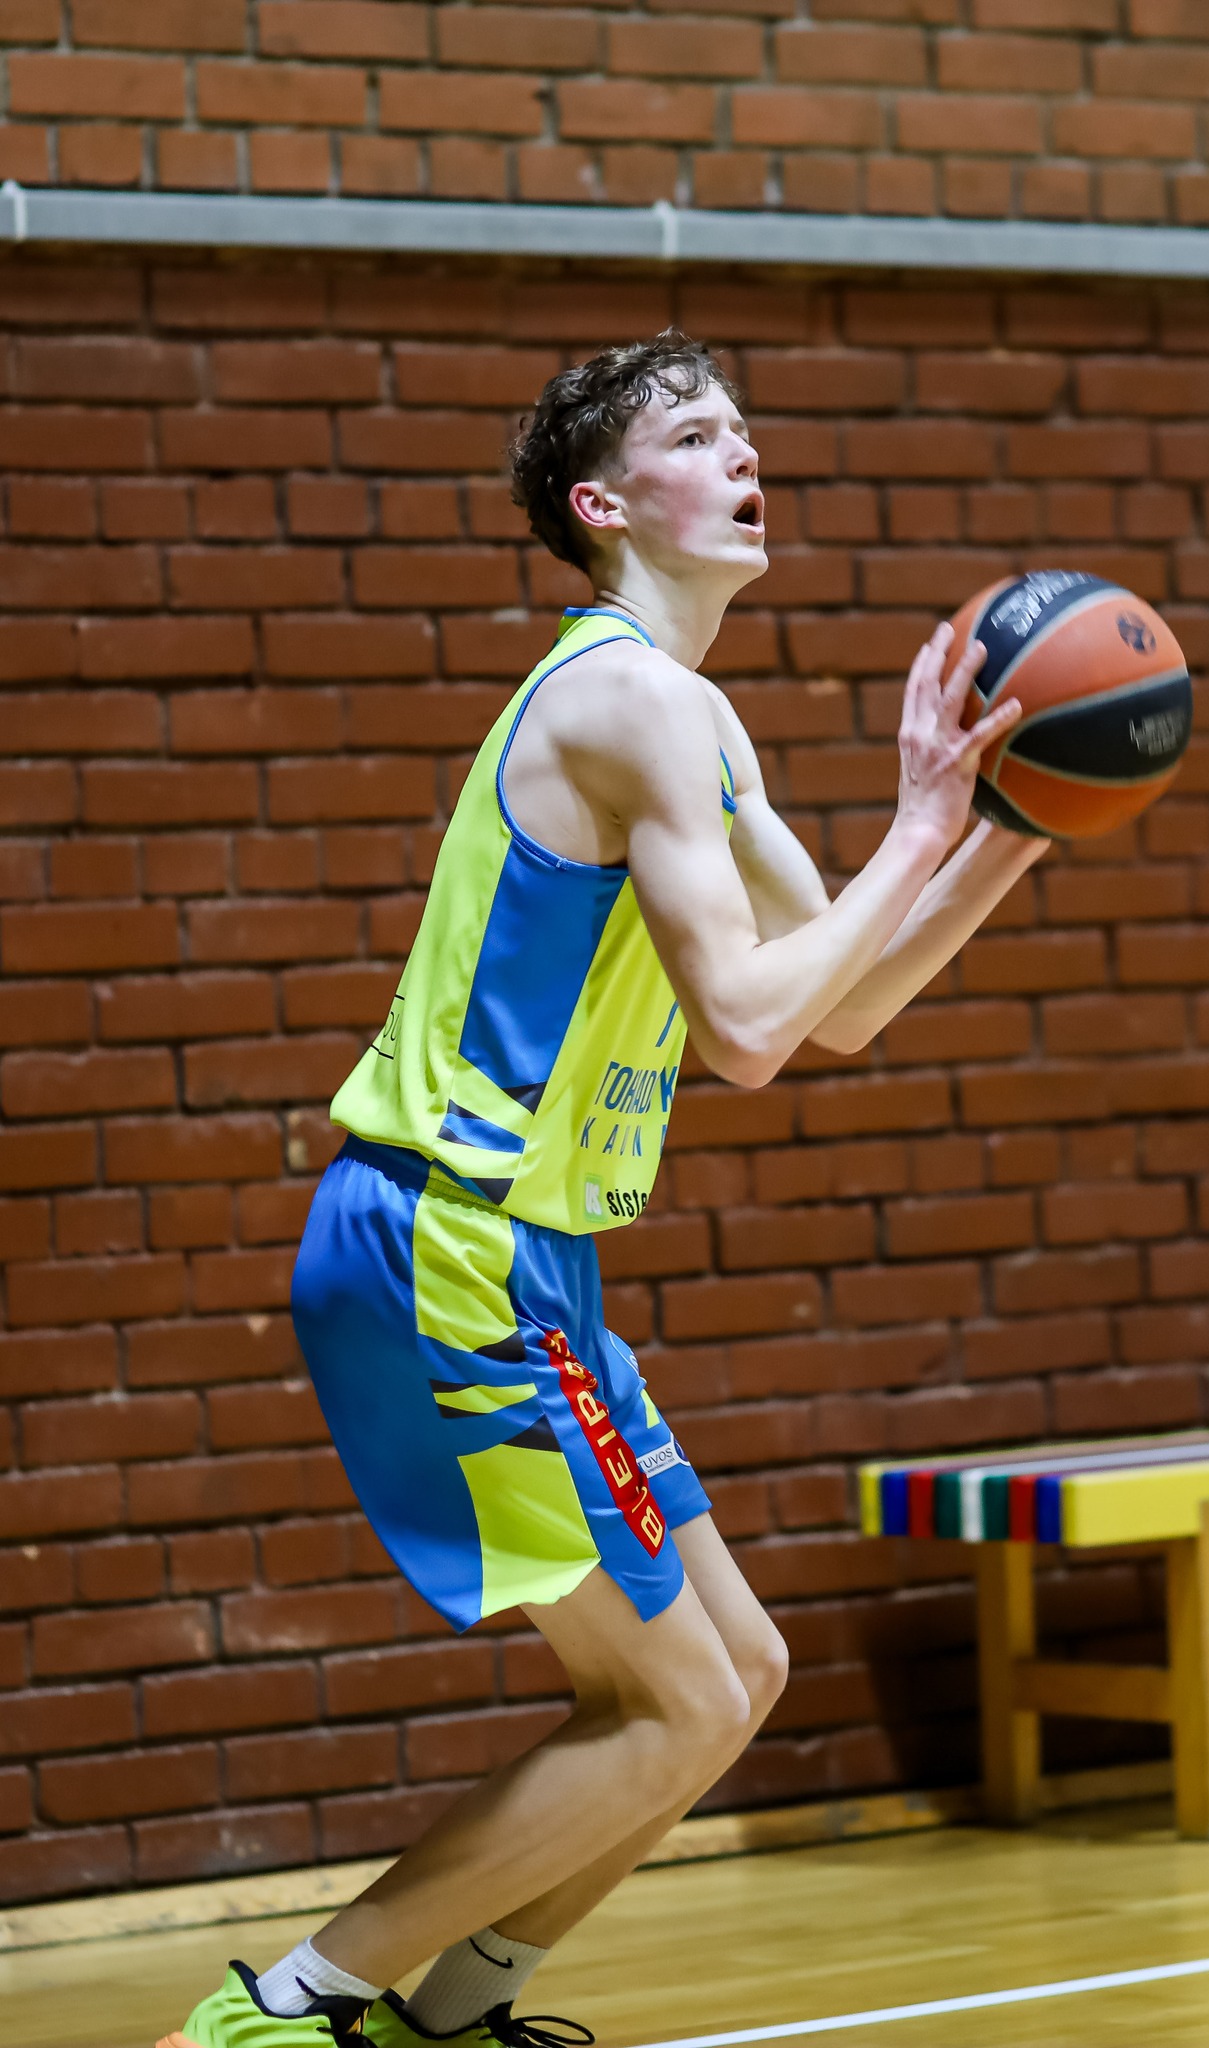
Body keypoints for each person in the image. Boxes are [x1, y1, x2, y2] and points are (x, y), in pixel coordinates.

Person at [164, 332, 1043, 2048]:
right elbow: (747, 1034)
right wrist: (918, 822)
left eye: (744, 430)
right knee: (672, 1702)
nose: (743, 454)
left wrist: (1000, 831)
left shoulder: (695, 722)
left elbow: (839, 1000)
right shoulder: (628, 698)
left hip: (526, 1259)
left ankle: (450, 2017)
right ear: (602, 504)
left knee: (738, 1676)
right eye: (697, 434)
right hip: (448, 1242)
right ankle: (276, 2013)